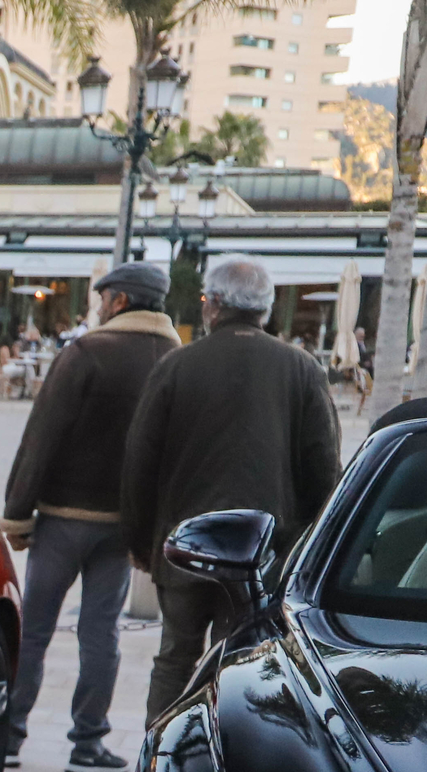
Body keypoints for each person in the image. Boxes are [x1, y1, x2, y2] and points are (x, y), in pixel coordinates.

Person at [121, 254, 342, 723]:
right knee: (246, 664)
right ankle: (230, 762)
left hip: (183, 548)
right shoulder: (300, 369)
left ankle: (159, 755)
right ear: (265, 308)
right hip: (264, 555)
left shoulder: (176, 366)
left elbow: (139, 464)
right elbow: (324, 468)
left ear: (213, 305)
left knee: (176, 657)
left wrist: (142, 544)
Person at [0, 261, 182, 772]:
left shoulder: (84, 353)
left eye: (102, 298)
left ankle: (8, 737)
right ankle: (88, 744)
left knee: (33, 629)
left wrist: (16, 515)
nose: (98, 307)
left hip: (62, 518)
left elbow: (41, 438)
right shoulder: (174, 359)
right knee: (102, 634)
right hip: (122, 526)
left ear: (119, 301)